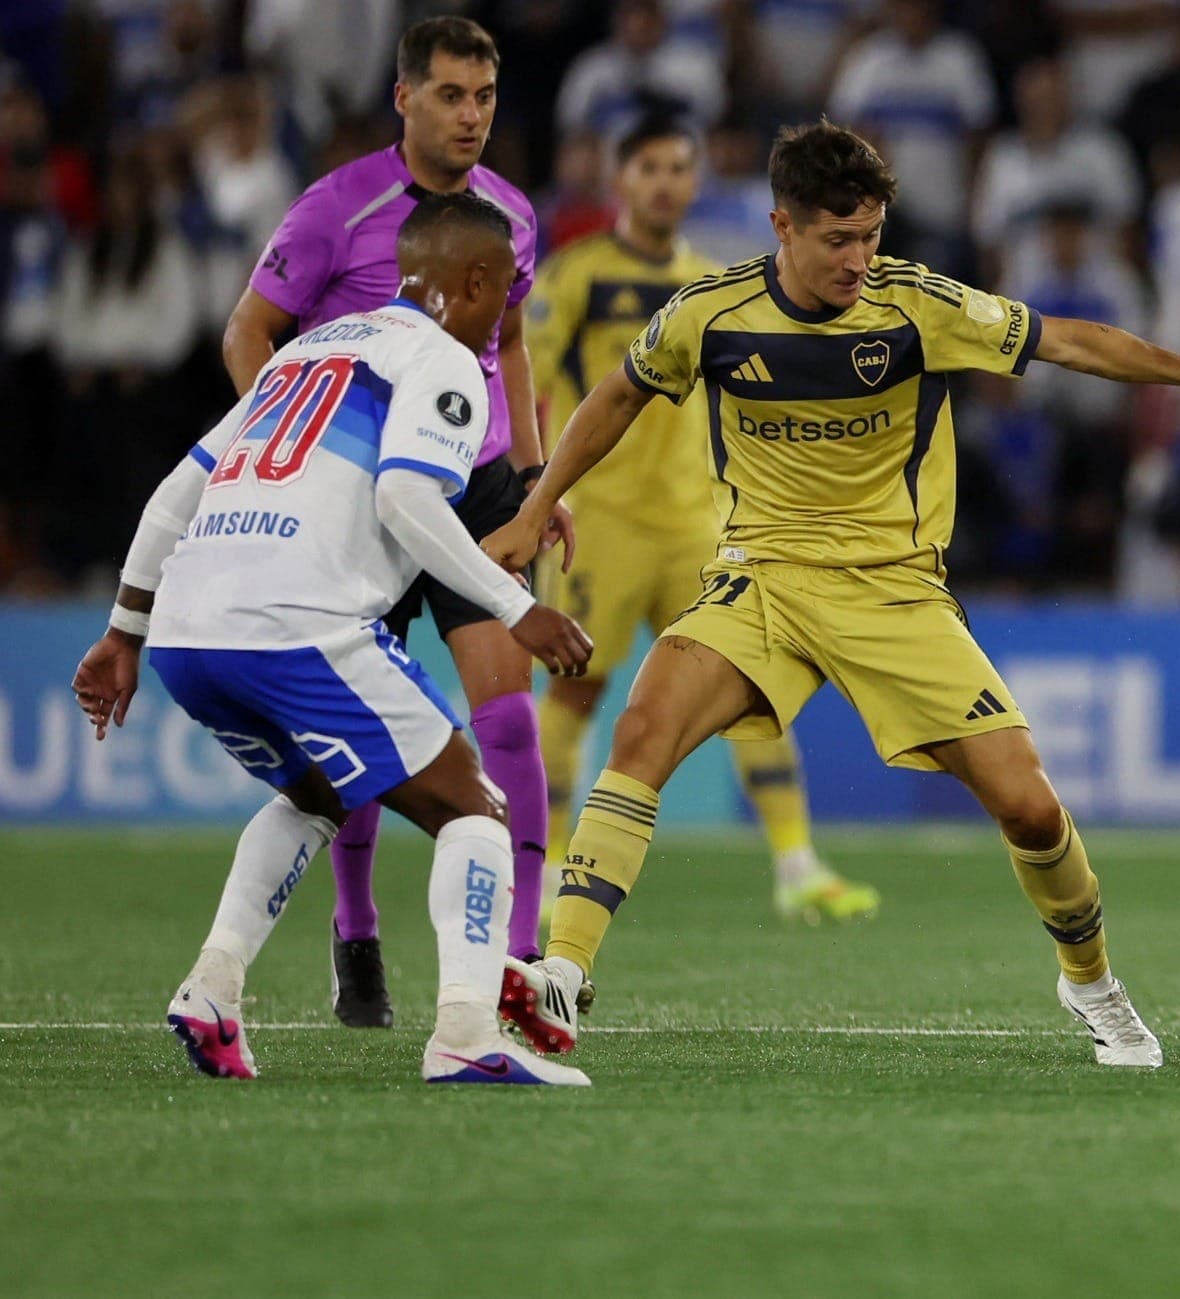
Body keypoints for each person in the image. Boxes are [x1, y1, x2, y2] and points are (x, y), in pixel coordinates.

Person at [488, 120, 1180, 1068]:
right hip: (761, 578)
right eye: (838, 239)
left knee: (1029, 807)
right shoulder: (710, 313)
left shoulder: (918, 306)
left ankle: (1093, 983)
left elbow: (1069, 342)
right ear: (783, 226)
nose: (859, 259)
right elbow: (618, 394)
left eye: (871, 235)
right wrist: (537, 503)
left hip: (893, 592)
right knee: (641, 729)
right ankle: (564, 976)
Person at [70, 194, 593, 1087]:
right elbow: (405, 500)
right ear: (473, 281)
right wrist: (517, 608)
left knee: (318, 793)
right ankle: (466, 1032)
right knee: (474, 810)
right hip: (296, 626)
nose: (510, 305)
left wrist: (125, 630)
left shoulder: (306, 353)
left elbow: (170, 495)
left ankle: (212, 986)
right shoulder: (443, 362)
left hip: (191, 632)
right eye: (507, 287)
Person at [222, 17, 571, 1027]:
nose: (470, 115)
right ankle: (357, 935)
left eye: (485, 97)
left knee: (507, 717)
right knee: (367, 736)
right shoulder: (338, 207)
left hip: (473, 488)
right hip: (355, 497)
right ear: (403, 97)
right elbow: (251, 331)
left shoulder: (509, 211)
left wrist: (538, 485)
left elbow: (508, 346)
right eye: (451, 95)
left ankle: (516, 959)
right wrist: (286, 454)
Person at [528, 113, 880, 928]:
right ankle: (545, 867)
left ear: (694, 183)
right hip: (603, 522)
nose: (664, 181)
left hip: (699, 522)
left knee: (748, 689)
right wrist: (542, 493)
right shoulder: (576, 276)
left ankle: (797, 865)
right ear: (620, 180)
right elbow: (532, 383)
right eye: (648, 165)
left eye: (678, 167)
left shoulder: (708, 285)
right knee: (575, 696)